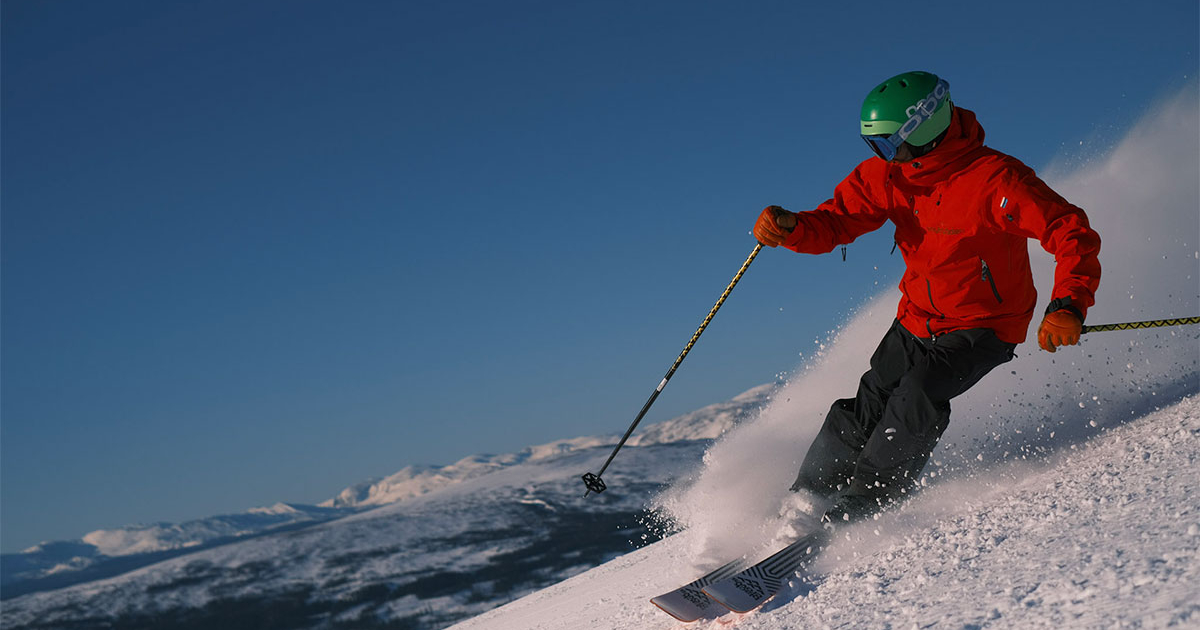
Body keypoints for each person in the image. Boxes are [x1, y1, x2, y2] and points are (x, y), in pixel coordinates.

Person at [754, 71, 1101, 526]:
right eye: (876, 146)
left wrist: (1068, 304)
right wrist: (793, 228)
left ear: (924, 128)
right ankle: (807, 499)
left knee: (916, 396)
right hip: (916, 318)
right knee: (869, 402)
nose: (886, 157)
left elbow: (1069, 231)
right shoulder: (889, 176)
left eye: (891, 143)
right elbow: (838, 220)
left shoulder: (996, 180)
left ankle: (864, 506)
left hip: (985, 324)